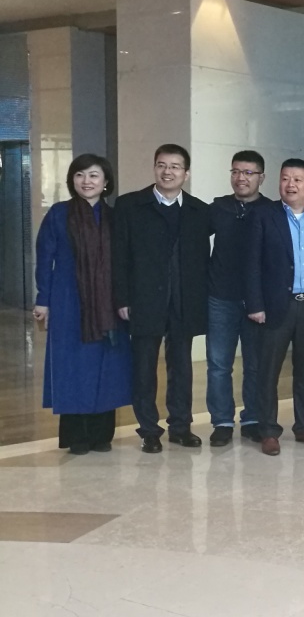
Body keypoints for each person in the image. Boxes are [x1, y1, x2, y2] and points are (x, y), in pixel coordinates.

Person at [113, 143, 211, 452]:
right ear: (155, 168)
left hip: (183, 300)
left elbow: (203, 260)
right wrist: (122, 298)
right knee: (144, 368)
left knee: (181, 367)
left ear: (186, 173)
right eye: (162, 165)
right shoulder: (130, 205)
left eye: (175, 167)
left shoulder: (199, 211)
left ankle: (181, 426)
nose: (168, 172)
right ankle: (149, 430)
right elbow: (119, 257)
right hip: (144, 299)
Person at [33, 154, 132, 454]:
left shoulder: (116, 217)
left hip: (109, 306)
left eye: (93, 175)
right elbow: (45, 258)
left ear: (106, 182)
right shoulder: (59, 214)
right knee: (72, 369)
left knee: (107, 369)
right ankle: (76, 436)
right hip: (68, 303)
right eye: (79, 175)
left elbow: (127, 261)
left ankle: (102, 435)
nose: (86, 181)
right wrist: (43, 300)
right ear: (72, 180)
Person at [246, 158, 304, 456]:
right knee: (268, 370)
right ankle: (268, 430)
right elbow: (251, 263)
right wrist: (255, 304)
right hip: (274, 305)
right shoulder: (263, 215)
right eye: (285, 178)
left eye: (297, 179)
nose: (290, 184)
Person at [206, 150, 272, 447]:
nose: (240, 178)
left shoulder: (271, 210)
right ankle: (221, 421)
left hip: (257, 300)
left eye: (248, 172)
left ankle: (253, 419)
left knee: (255, 365)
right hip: (220, 297)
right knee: (219, 364)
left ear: (261, 177)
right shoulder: (218, 208)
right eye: (235, 171)